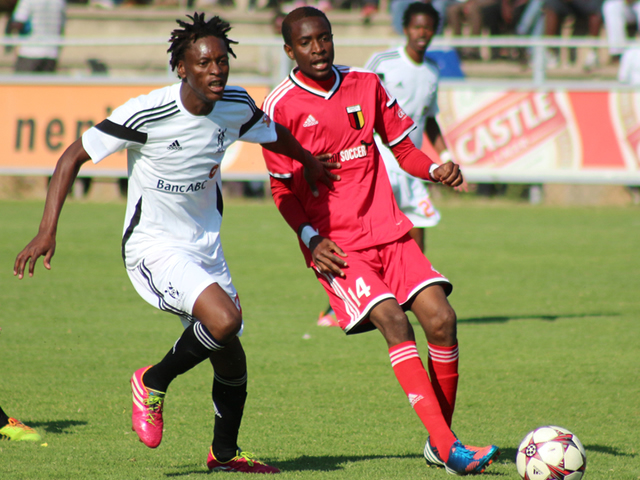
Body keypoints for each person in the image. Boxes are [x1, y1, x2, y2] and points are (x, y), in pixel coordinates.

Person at [14, 12, 337, 474]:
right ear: (182, 67)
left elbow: (272, 133)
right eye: (204, 63)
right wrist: (48, 229)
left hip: (206, 247)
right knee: (225, 322)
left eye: (222, 62)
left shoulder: (236, 105)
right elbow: (72, 156)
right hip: (154, 247)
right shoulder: (147, 112)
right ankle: (152, 381)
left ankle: (224, 455)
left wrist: (307, 160)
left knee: (230, 358)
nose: (216, 71)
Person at [261, 6, 499, 475]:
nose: (318, 49)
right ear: (289, 50)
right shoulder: (280, 106)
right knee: (395, 322)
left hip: (390, 232)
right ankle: (450, 446)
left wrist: (435, 169)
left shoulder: (365, 85)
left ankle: (441, 443)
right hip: (337, 247)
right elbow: (282, 188)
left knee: (442, 319)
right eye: (306, 42)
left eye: (324, 38)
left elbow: (404, 148)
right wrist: (310, 239)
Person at [365, 2, 450, 255]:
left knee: (418, 228)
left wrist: (446, 157)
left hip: (412, 161)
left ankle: (415, 288)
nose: (422, 33)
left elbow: (430, 118)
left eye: (428, 28)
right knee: (379, 233)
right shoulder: (383, 62)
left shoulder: (432, 70)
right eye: (417, 27)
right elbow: (360, 102)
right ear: (405, 29)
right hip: (381, 159)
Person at [6, 0, 65, 73]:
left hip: (29, 52)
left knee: (22, 83)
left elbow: (19, 22)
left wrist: (10, 25)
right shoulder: (60, 2)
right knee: (45, 83)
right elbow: (61, 26)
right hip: (51, 53)